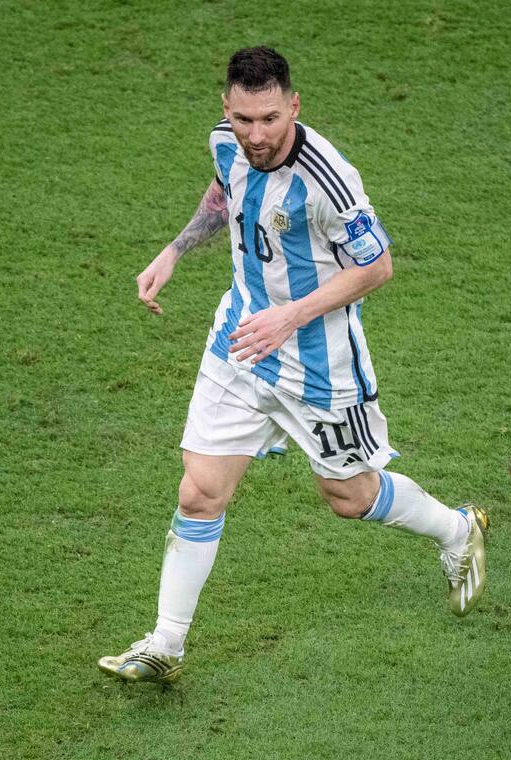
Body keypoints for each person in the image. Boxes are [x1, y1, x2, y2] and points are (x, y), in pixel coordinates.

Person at [99, 46, 488, 685]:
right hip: (243, 340)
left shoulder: (329, 181)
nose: (257, 135)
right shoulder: (226, 142)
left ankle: (456, 527)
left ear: (294, 106)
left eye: (271, 119)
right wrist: (174, 250)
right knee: (199, 491)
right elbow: (225, 195)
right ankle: (166, 643)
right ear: (227, 108)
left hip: (318, 364)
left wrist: (291, 316)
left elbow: (378, 266)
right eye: (245, 119)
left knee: (350, 496)